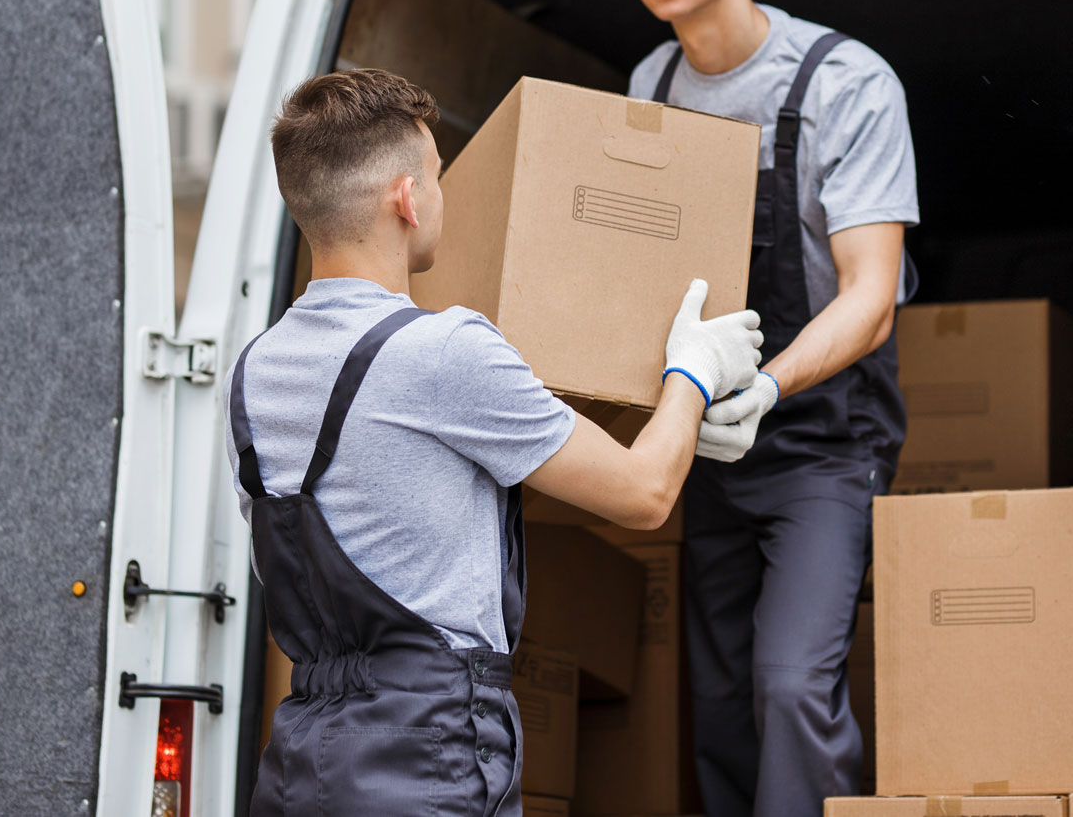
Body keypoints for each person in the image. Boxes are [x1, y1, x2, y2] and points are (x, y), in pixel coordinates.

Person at [225, 67, 763, 817]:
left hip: (300, 762)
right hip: (426, 755)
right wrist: (693, 375)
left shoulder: (250, 376)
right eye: (437, 176)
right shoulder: (447, 352)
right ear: (407, 199)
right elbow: (644, 492)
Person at [605, 0, 920, 817]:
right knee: (723, 705)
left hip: (824, 443)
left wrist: (766, 387)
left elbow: (870, 294)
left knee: (790, 686)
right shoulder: (649, 85)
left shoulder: (845, 82)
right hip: (701, 447)